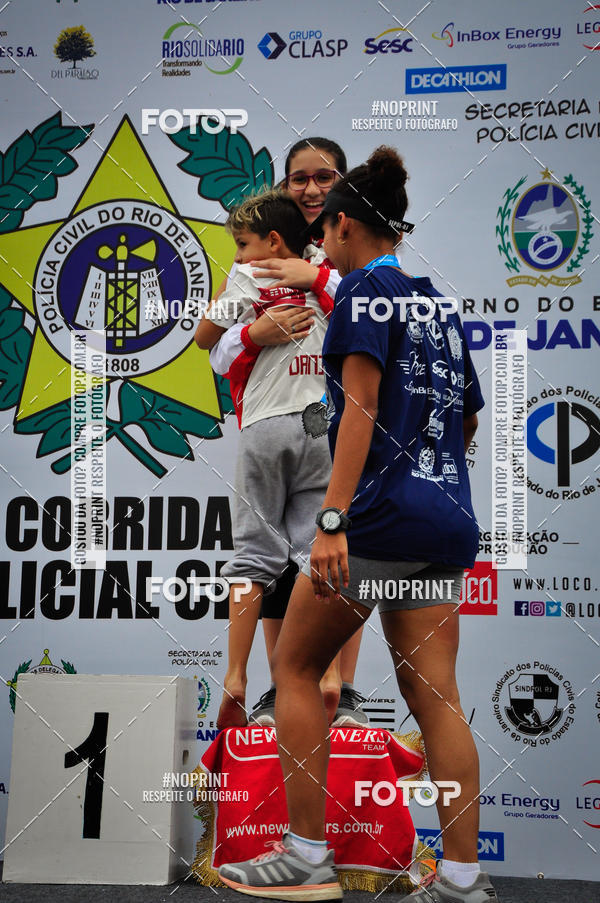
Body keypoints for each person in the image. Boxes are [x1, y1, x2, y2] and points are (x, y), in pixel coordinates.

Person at [217, 147, 499, 903]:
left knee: (296, 669)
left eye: (327, 227)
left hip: (372, 525)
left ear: (342, 224)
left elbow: (361, 414)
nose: (321, 242)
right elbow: (467, 419)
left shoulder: (360, 298)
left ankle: (306, 857)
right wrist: (428, 479)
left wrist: (334, 518)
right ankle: (463, 881)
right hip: (445, 523)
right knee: (435, 695)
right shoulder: (435, 301)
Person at [205, 138, 367, 730]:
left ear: (343, 183)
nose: (311, 188)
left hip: (341, 425)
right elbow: (214, 346)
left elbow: (378, 314)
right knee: (293, 552)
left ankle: (338, 685)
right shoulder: (251, 263)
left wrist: (317, 275)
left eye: (324, 176)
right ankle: (284, 683)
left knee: (333, 548)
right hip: (285, 419)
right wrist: (256, 333)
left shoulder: (355, 243)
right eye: (299, 178)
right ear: (284, 187)